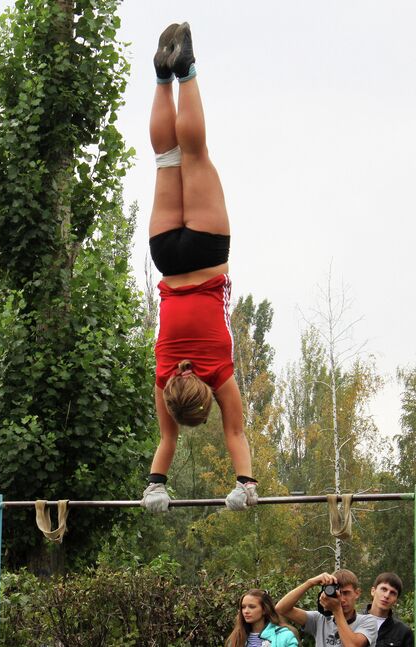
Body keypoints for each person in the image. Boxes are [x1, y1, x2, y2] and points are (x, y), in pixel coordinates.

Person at [140, 21, 257, 513]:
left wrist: (245, 485)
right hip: (166, 256)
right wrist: (155, 486)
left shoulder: (219, 372)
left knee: (195, 153)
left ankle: (185, 70)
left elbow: (236, 430)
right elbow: (164, 445)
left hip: (208, 258)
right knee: (167, 156)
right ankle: (163, 80)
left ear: (205, 395)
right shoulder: (163, 375)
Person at [275, 569, 378, 647]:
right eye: (338, 593)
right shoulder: (320, 619)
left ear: (357, 593)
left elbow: (353, 645)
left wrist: (336, 610)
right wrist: (310, 583)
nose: (341, 599)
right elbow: (281, 608)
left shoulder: (368, 621)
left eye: (346, 593)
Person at [225, 588, 298, 647]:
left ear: (264, 610)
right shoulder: (237, 638)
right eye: (243, 607)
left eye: (252, 607)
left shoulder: (285, 636)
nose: (246, 611)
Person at [364, 572, 413, 647]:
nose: (387, 596)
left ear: (396, 600)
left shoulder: (403, 632)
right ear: (373, 591)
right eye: (384, 589)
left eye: (393, 593)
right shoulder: (354, 622)